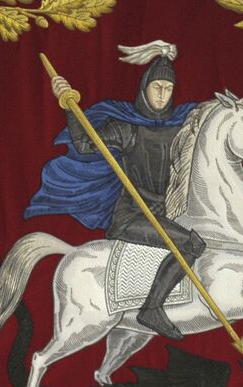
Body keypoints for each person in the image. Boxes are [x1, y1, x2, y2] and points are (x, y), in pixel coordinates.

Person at [25, 40, 203, 341]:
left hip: (166, 213)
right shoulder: (127, 128)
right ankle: (152, 309)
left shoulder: (180, 125)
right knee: (193, 245)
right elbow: (84, 144)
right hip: (133, 217)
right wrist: (68, 104)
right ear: (145, 87)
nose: (162, 94)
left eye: (168, 88)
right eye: (157, 86)